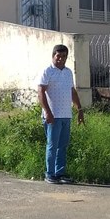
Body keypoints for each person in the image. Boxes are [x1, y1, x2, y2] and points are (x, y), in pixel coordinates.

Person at [37, 44, 84, 184]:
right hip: (53, 116)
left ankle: (60, 173)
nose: (61, 59)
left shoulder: (68, 72)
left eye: (64, 56)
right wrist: (48, 113)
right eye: (58, 56)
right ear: (53, 56)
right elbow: (41, 92)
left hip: (66, 115)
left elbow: (72, 92)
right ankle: (49, 174)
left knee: (62, 145)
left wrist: (79, 110)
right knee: (52, 145)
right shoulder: (48, 71)